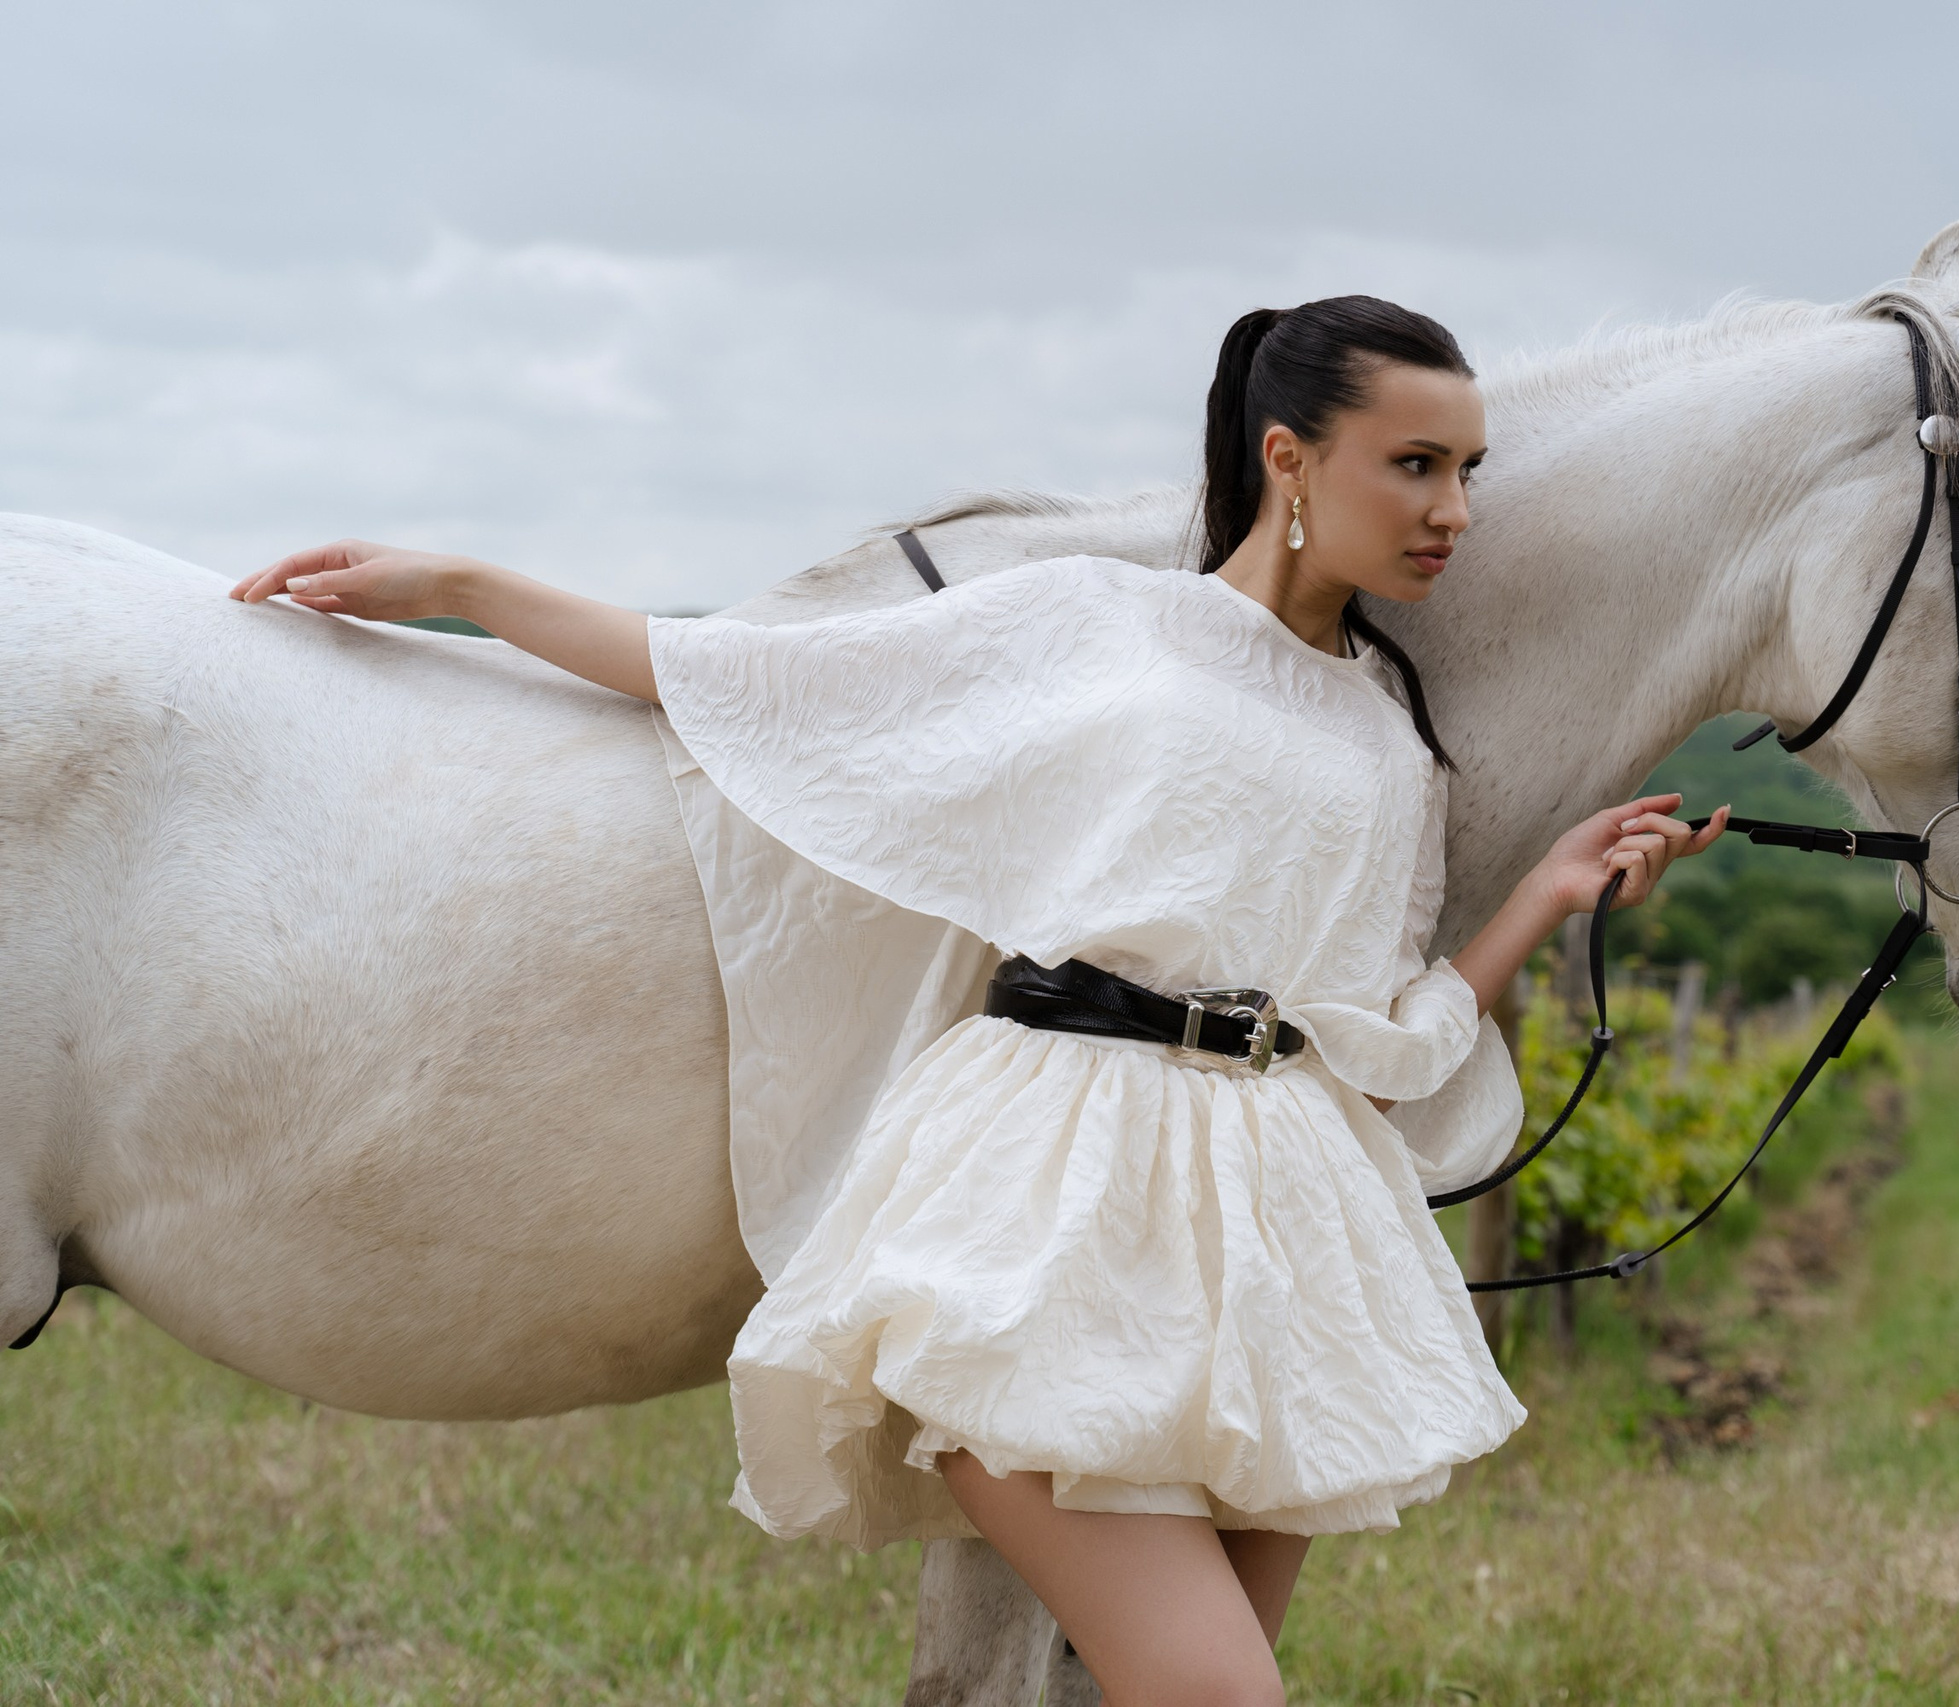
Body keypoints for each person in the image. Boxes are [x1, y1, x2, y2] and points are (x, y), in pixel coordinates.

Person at [232, 295, 1724, 1707]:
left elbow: (1377, 1040)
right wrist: (463, 590)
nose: (1453, 508)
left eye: (1467, 471)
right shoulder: (1096, 623)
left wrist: (1546, 896)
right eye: (1415, 464)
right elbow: (763, 687)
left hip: (1280, 1246)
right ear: (1290, 457)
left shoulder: (1391, 739)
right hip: (1054, 1202)